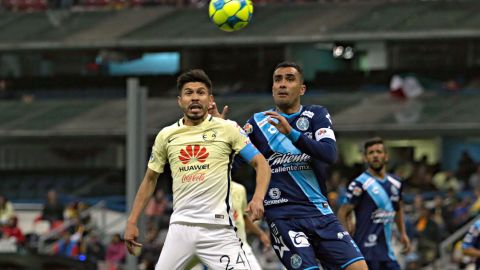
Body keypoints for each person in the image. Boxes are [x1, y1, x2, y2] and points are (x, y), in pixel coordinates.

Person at [123, 69, 271, 269]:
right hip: (180, 230)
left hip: (218, 231)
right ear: (180, 100)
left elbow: (261, 164)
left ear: (210, 99)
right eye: (188, 93)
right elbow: (150, 180)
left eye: (200, 92)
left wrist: (258, 198)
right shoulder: (166, 135)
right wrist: (132, 220)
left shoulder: (227, 128)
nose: (194, 97)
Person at [239, 61, 367, 270]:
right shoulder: (257, 123)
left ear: (302, 88)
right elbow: (235, 162)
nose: (282, 84)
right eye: (277, 80)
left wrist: (292, 133)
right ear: (272, 87)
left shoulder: (316, 115)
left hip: (320, 211)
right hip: (283, 216)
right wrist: (223, 131)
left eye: (290, 79)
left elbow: (329, 154)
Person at [338, 137, 411, 270]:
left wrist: (403, 233)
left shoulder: (396, 183)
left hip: (388, 254)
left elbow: (398, 207)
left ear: (386, 156)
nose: (375, 155)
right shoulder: (359, 184)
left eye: (379, 151)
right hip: (365, 255)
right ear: (365, 158)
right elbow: (343, 212)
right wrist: (346, 241)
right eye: (371, 153)